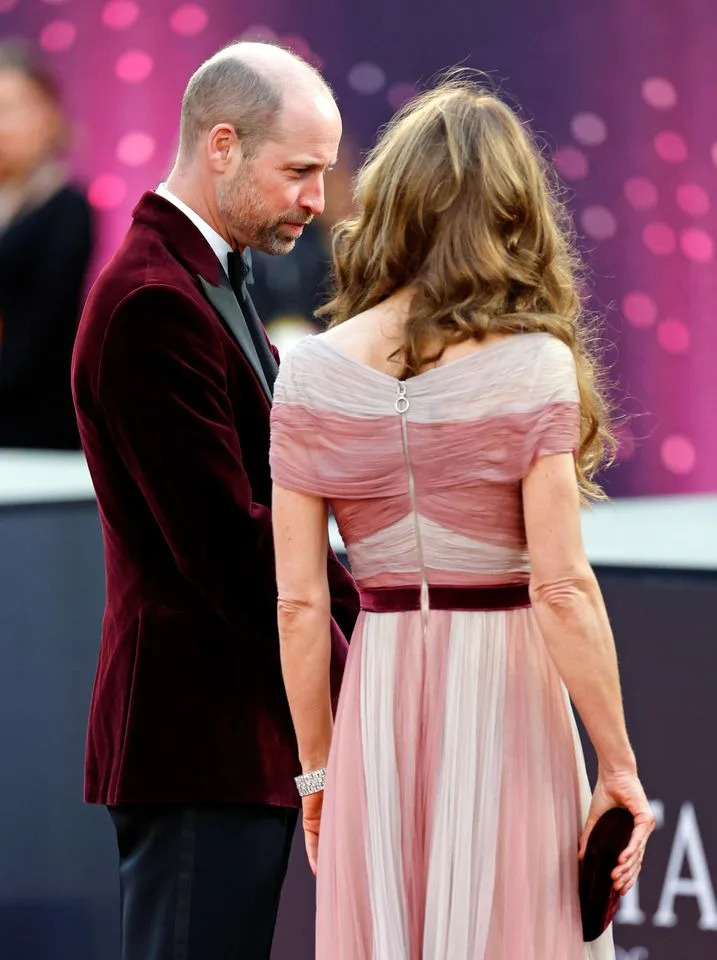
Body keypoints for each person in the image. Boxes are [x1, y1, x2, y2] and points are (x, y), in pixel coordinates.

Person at [270, 77, 655, 959]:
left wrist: (321, 774)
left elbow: (297, 605)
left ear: (391, 203)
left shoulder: (309, 372)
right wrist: (619, 766)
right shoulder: (532, 367)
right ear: (513, 211)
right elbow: (560, 587)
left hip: (378, 698)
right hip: (507, 691)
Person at [72, 42, 359, 960]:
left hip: (231, 742)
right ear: (223, 145)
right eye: (300, 171)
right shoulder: (151, 301)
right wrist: (370, 667)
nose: (318, 200)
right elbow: (232, 550)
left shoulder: (202, 278)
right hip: (194, 742)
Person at [0, 40, 93, 449]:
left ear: (48, 115)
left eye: (14, 108)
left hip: (38, 421)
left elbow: (44, 321)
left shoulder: (67, 207)